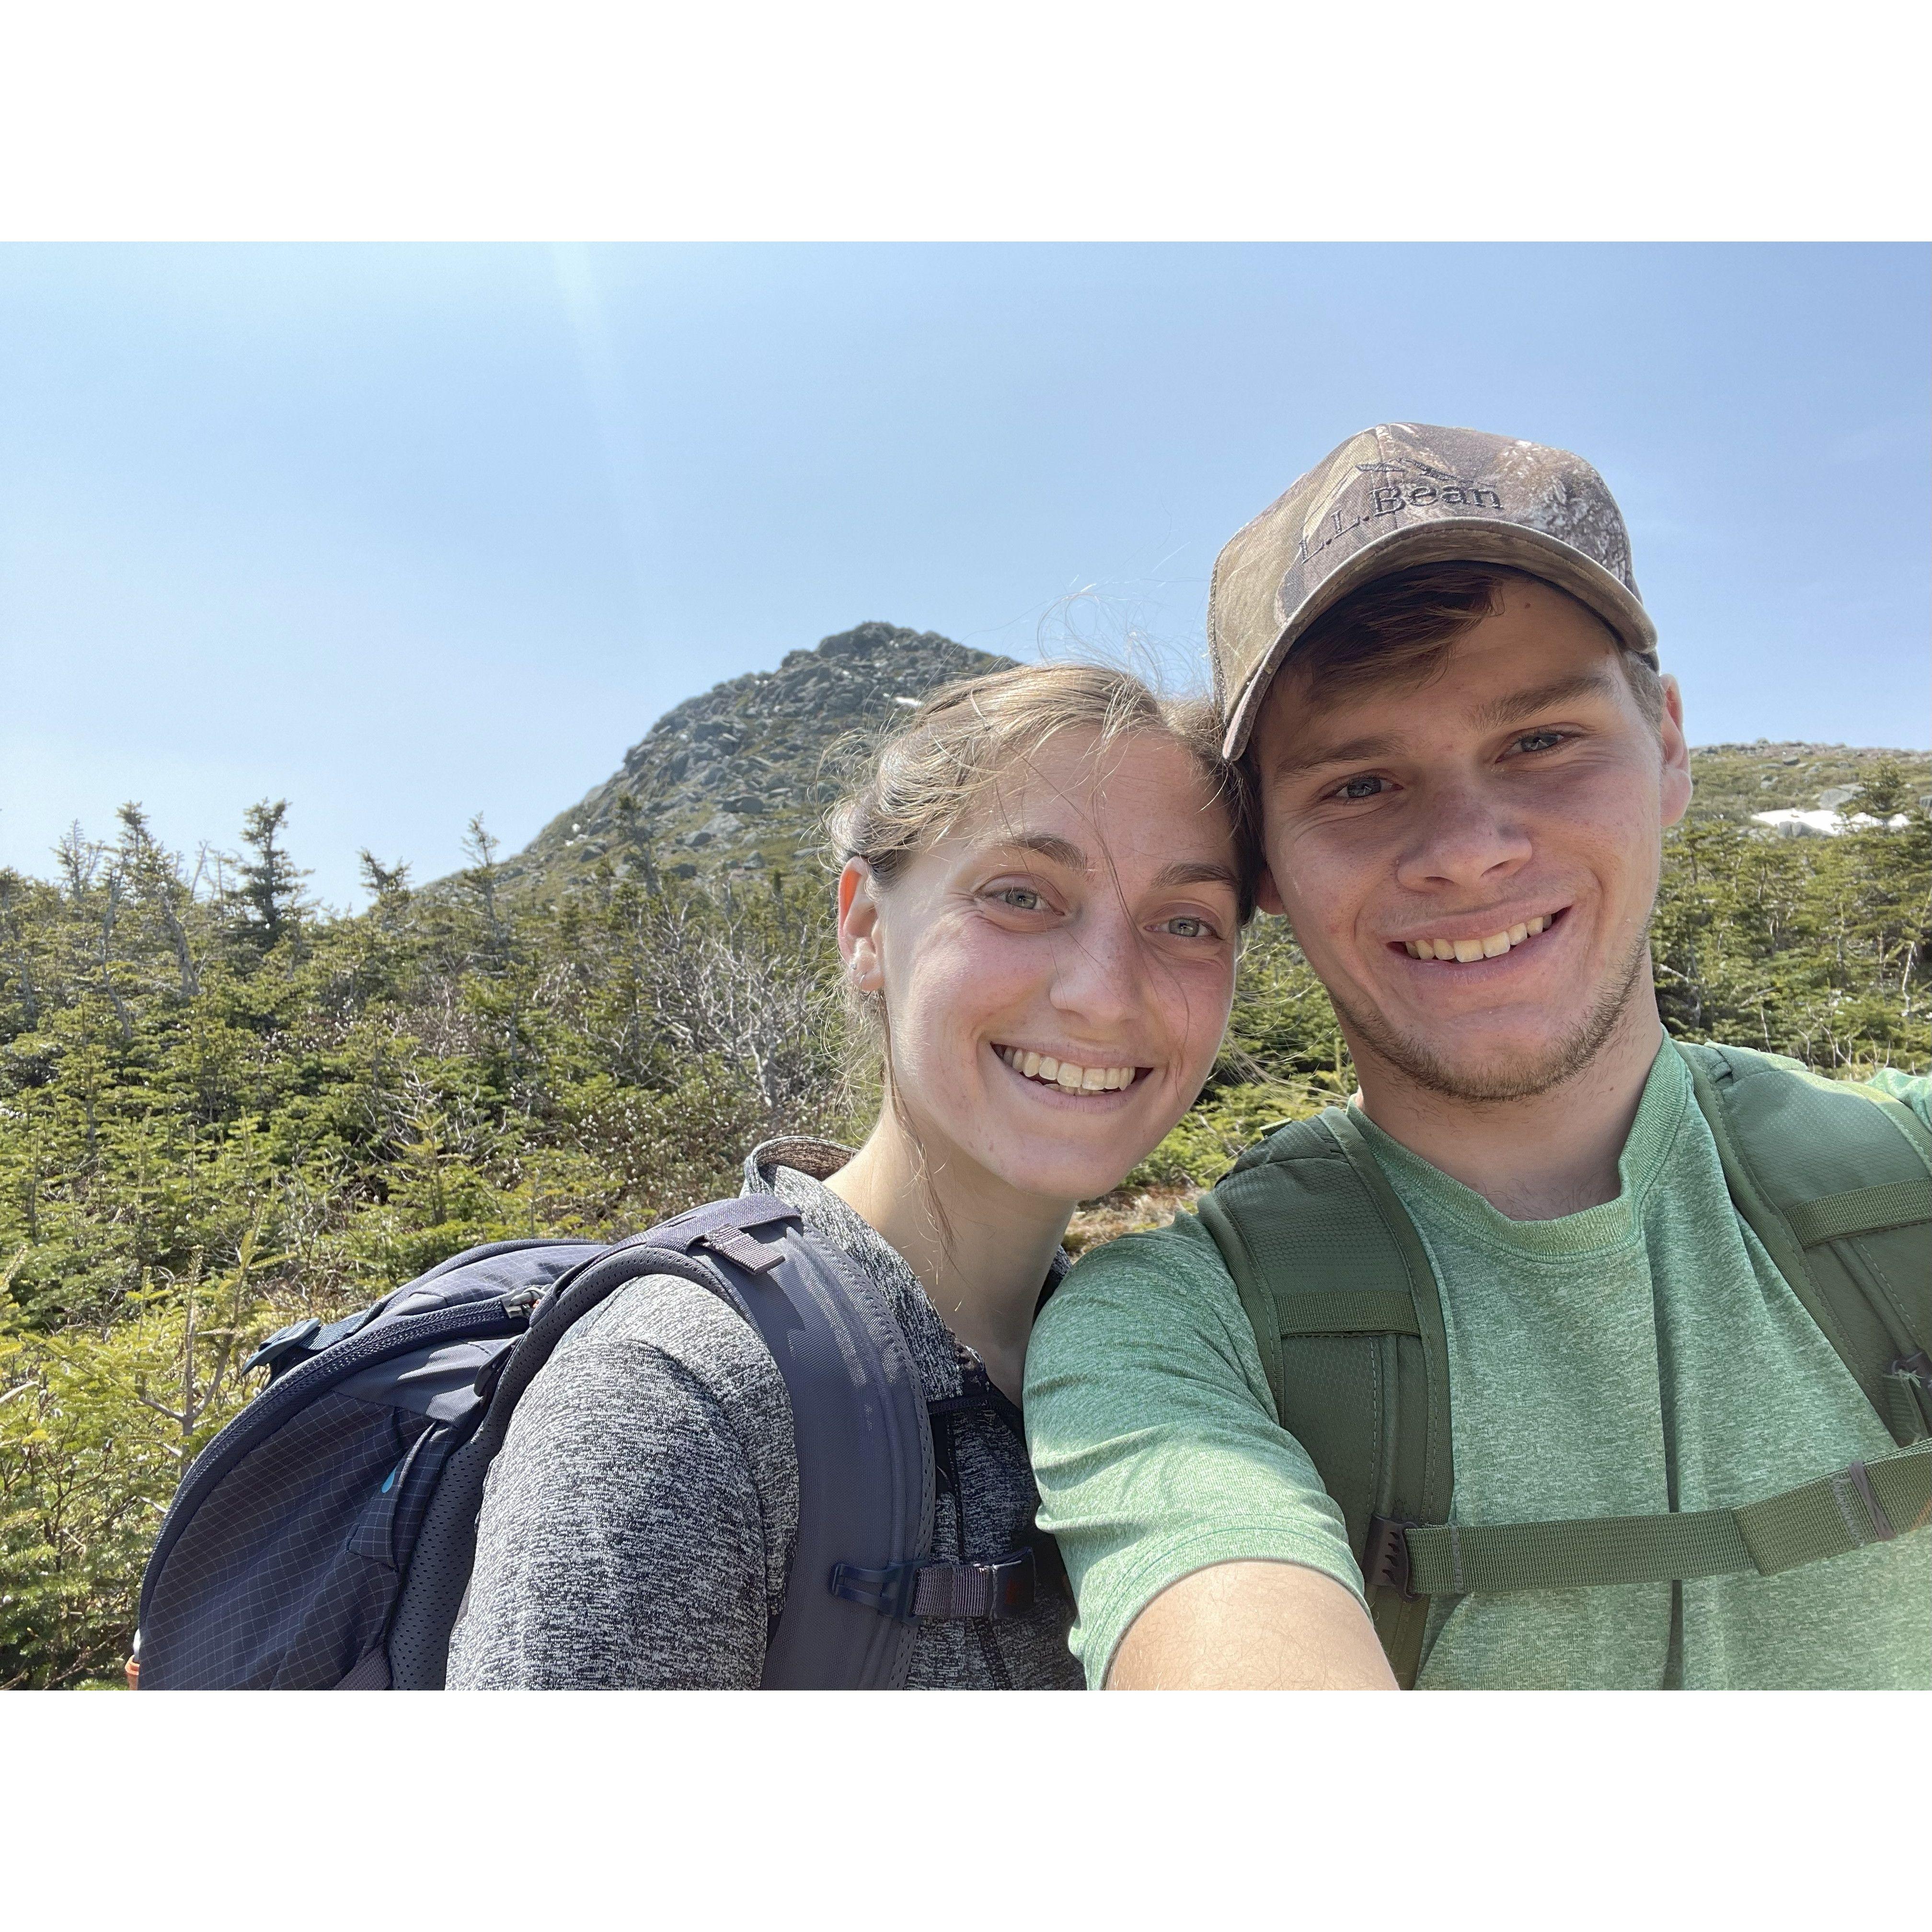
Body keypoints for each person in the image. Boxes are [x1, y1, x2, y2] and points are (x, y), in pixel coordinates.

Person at [1025, 422, 1932, 1690]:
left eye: (1539, 741)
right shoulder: (1173, 1328)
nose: (1467, 848)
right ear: (1267, 866)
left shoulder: (1912, 1176)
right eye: (1358, 784)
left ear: (1668, 746)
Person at [447, 661, 1259, 1688]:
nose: (1107, 994)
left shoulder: (1163, 1358)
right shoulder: (683, 1394)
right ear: (867, 931)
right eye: (1021, 897)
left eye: (1185, 922)